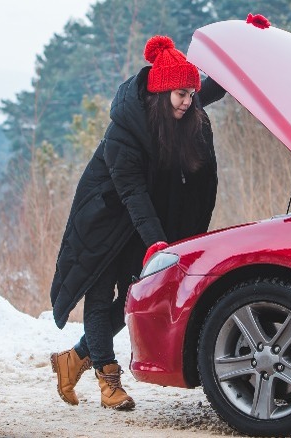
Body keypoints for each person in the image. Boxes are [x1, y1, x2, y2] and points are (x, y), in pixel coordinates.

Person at [49, 35, 226, 411]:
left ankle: (73, 359)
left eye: (190, 94)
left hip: (137, 220)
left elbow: (208, 91)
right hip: (103, 218)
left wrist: (245, 54)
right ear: (162, 94)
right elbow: (132, 194)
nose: (188, 101)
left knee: (134, 295)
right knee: (98, 298)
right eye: (181, 95)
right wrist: (157, 244)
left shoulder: (178, 111)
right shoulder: (123, 132)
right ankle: (108, 381)